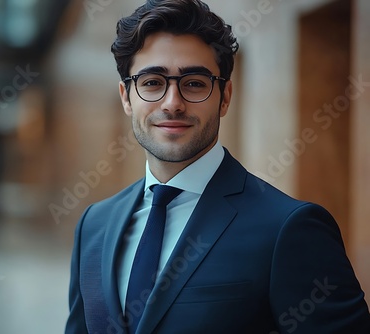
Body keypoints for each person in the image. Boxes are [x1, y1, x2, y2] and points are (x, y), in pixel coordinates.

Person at [65, 0, 370, 333]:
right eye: (152, 82)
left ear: (224, 97)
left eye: (194, 83)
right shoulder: (95, 226)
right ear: (126, 97)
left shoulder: (289, 228)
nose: (172, 103)